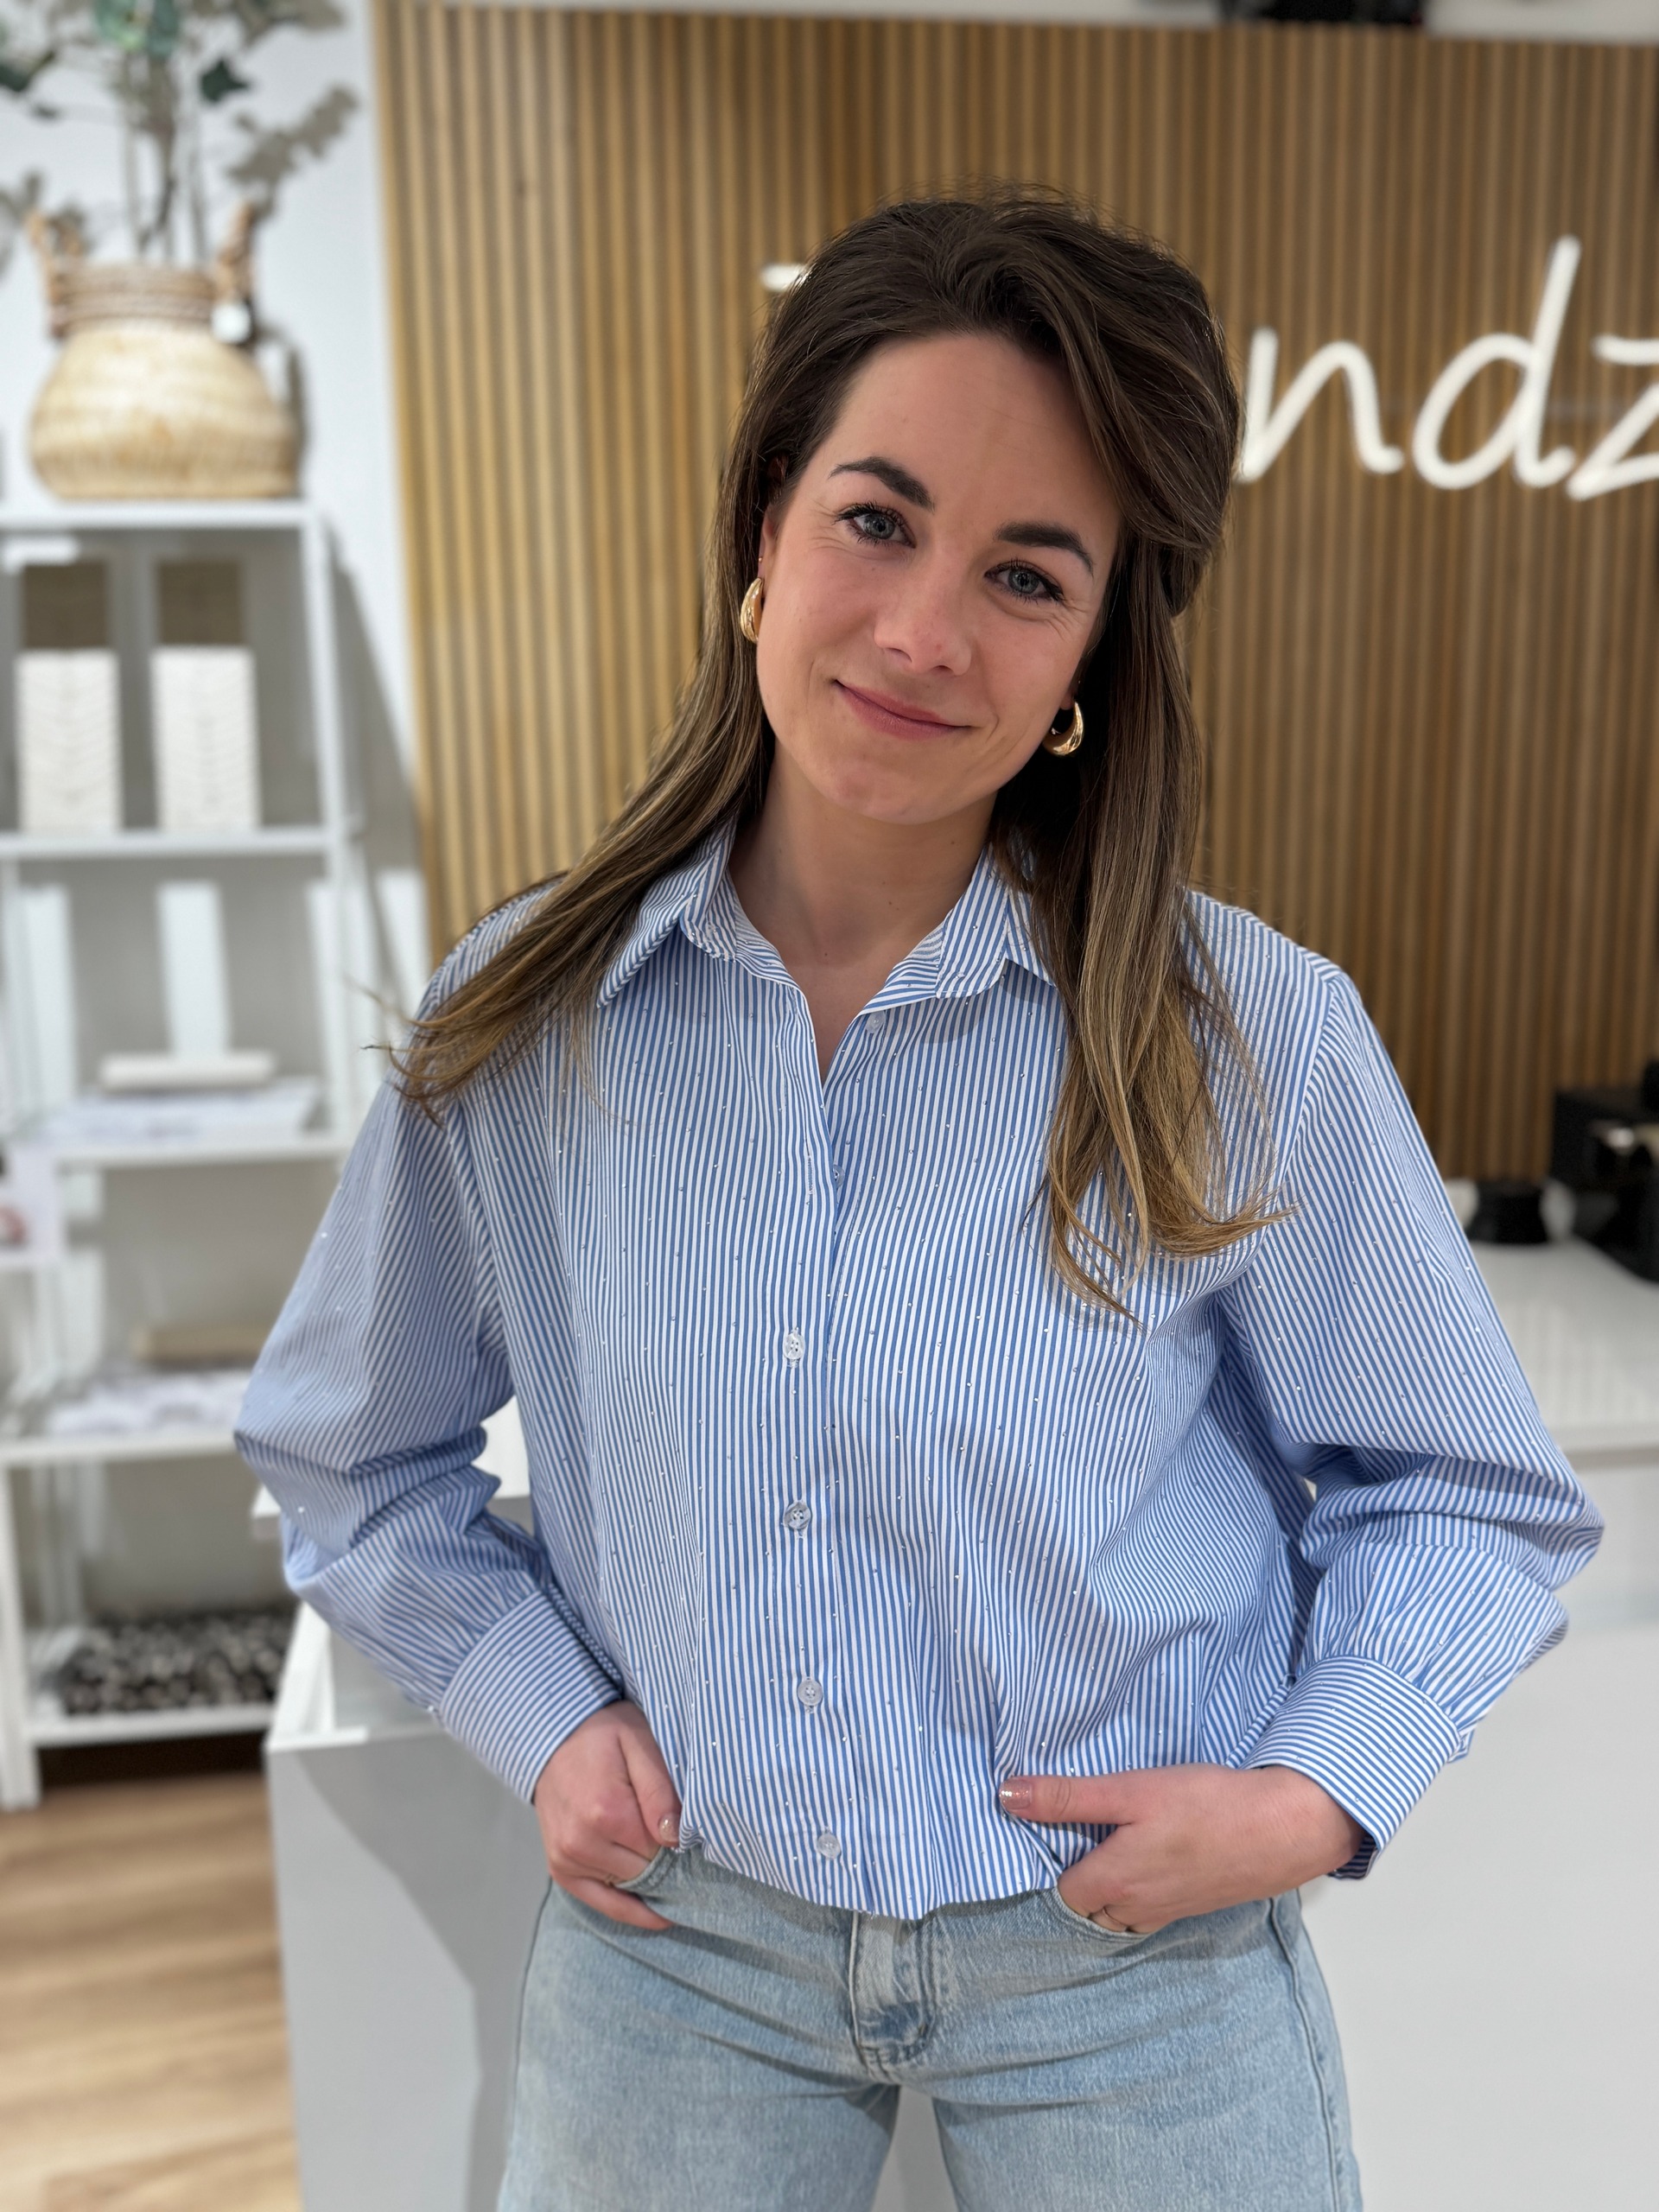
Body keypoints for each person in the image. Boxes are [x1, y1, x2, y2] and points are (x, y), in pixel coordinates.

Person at [238, 194, 1600, 2212]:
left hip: (1124, 1956)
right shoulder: (525, 1021)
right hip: (685, 1936)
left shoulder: (1246, 1036)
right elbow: (352, 1454)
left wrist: (1318, 1792)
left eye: (1026, 574)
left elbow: (1469, 1492)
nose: (922, 632)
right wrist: (539, 1712)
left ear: (1089, 659)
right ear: (761, 537)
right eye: (875, 520)